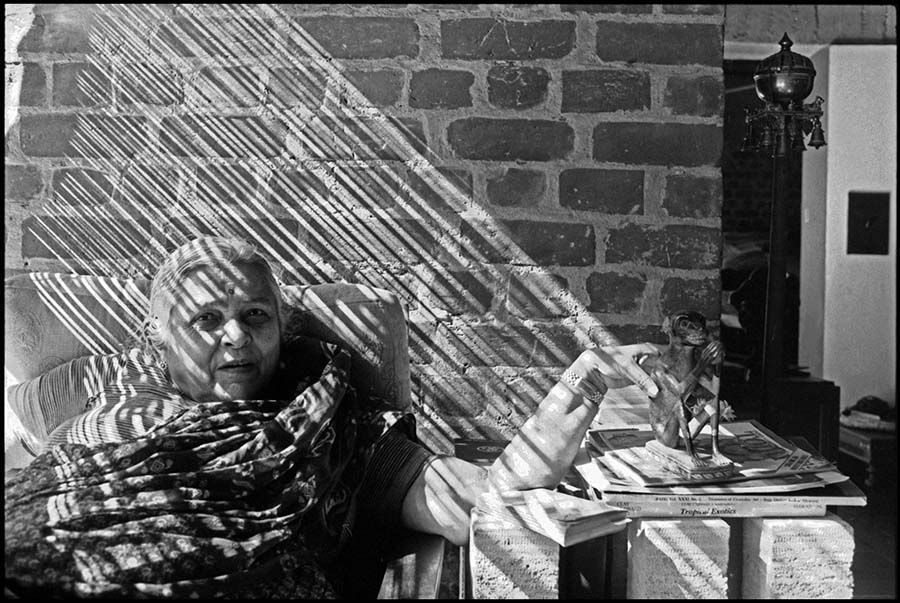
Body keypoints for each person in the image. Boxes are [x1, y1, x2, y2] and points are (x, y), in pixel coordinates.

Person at [5, 236, 660, 598]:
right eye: (207, 318)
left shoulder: (330, 429)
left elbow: (484, 505)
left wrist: (585, 382)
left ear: (283, 326)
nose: (235, 336)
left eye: (255, 316)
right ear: (159, 332)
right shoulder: (101, 414)